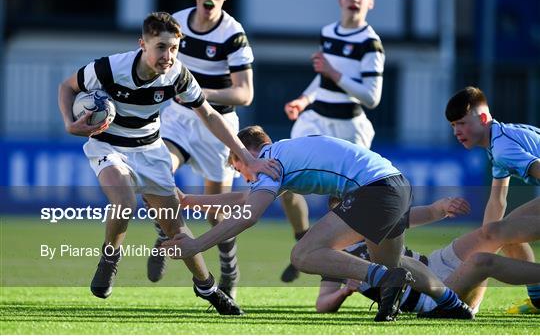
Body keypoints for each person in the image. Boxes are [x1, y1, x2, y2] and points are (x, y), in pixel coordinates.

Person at [57, 12, 279, 315]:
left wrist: (248, 158)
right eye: (161, 47)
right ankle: (110, 257)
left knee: (176, 228)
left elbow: (211, 116)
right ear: (142, 44)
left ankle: (208, 288)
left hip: (150, 150)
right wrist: (70, 124)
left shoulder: (177, 75)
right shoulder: (109, 68)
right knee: (123, 200)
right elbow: (67, 87)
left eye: (174, 48)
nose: (168, 55)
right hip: (109, 144)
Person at [163, 126, 475, 321]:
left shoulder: (269, 163)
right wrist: (192, 201)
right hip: (396, 185)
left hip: (373, 191)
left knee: (302, 254)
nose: (242, 176)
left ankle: (384, 277)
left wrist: (197, 244)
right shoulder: (284, 152)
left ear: (244, 153)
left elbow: (250, 214)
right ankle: (451, 303)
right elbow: (248, 199)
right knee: (395, 263)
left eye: (237, 167)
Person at [146, 0, 253, 300]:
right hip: (178, 120)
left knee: (214, 211)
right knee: (157, 175)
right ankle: (166, 235)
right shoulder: (176, 23)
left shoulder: (233, 35)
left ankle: (229, 267)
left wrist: (201, 94)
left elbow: (245, 92)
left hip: (217, 124)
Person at [280, 0, 385, 283]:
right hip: (315, 119)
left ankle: (335, 265)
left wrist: (334, 73)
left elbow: (372, 97)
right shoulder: (329, 31)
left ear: (370, 3)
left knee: (342, 204)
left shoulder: (371, 44)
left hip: (349, 127)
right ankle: (303, 241)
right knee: (285, 179)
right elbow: (322, 76)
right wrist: (304, 99)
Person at [316, 197, 540, 315]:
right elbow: (322, 304)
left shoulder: (377, 220)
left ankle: (537, 298)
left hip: (435, 262)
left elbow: (429, 212)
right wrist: (345, 292)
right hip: (431, 298)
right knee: (482, 261)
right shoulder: (333, 255)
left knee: (496, 231)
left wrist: (443, 206)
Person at [446, 86, 540, 314]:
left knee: (502, 232)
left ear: (484, 118)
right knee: (502, 231)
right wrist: (485, 242)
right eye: (453, 125)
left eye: (462, 123)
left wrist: (481, 259)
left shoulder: (503, 149)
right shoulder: (498, 141)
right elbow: (497, 201)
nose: (457, 131)